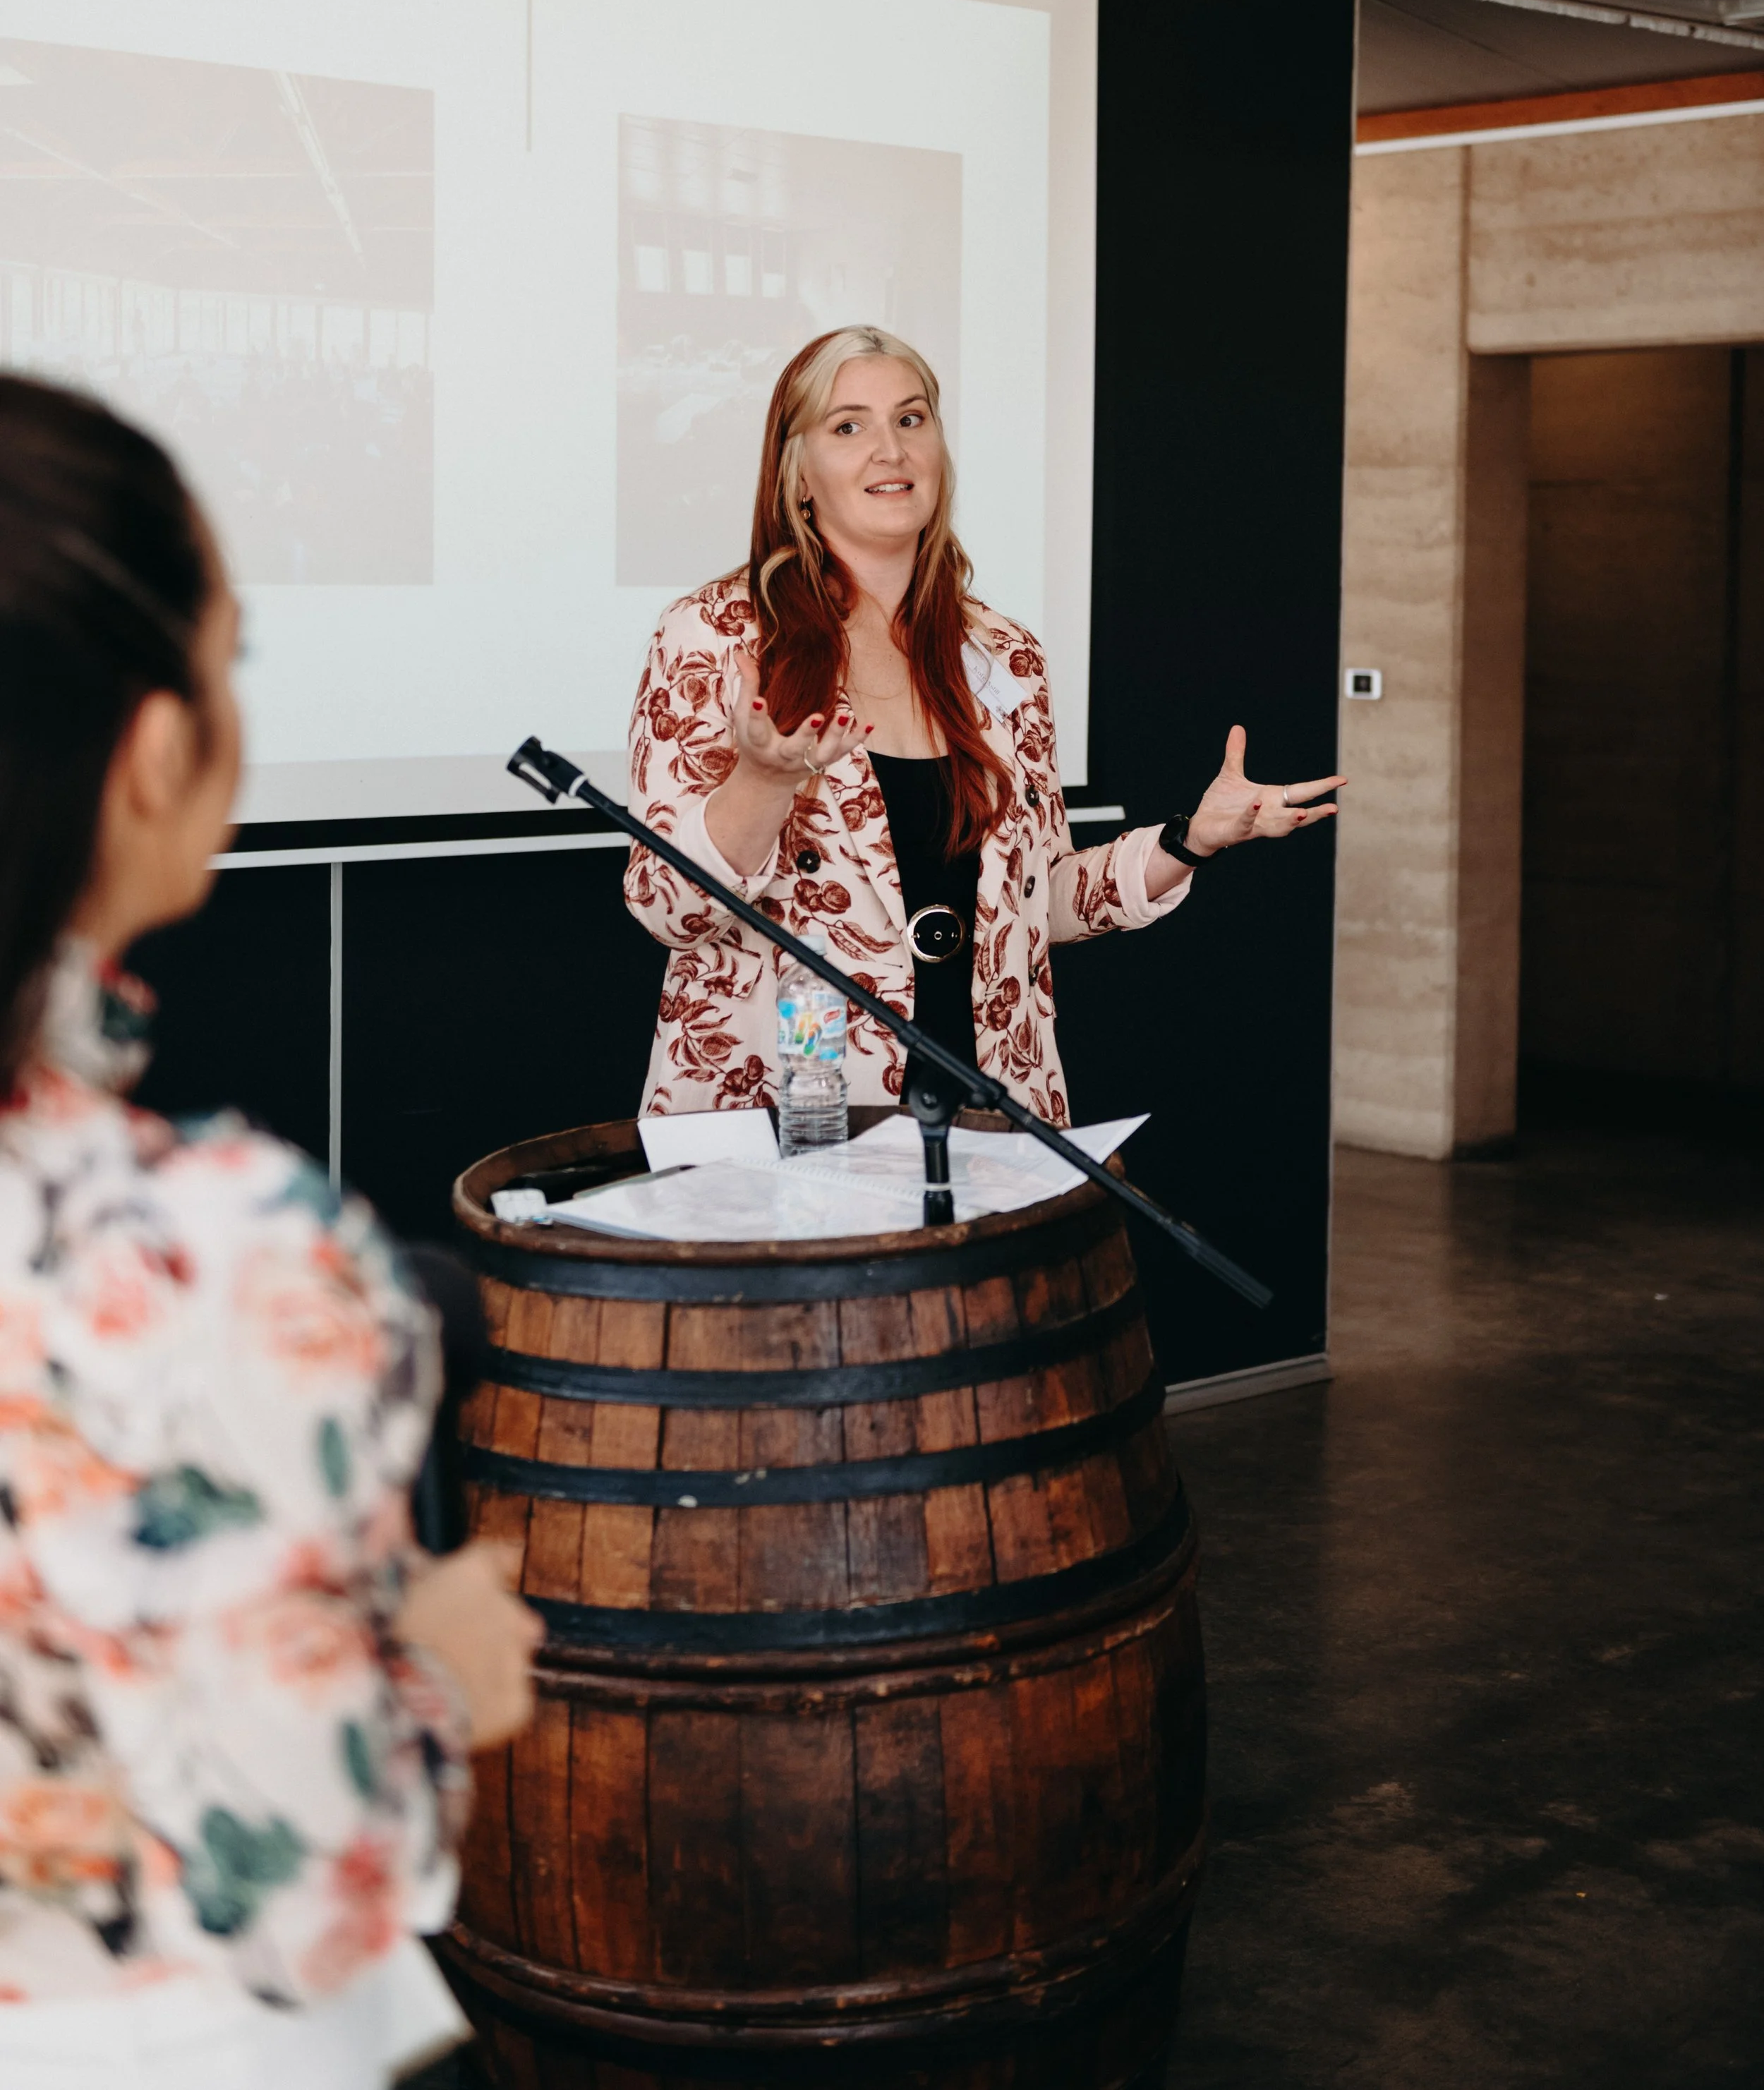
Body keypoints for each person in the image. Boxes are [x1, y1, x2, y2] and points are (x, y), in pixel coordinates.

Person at [0, 373, 543, 2088]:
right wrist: (441, 1674)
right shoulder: (218, 1250)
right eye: (232, 661)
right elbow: (301, 1884)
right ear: (156, 746)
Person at [627, 326, 1343, 1117]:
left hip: (989, 1117)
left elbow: (1041, 902)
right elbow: (669, 907)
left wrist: (1189, 842)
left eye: (911, 419)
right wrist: (762, 781)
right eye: (847, 426)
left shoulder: (1004, 654)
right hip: (792, 1117)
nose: (889, 450)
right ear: (797, 472)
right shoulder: (717, 636)